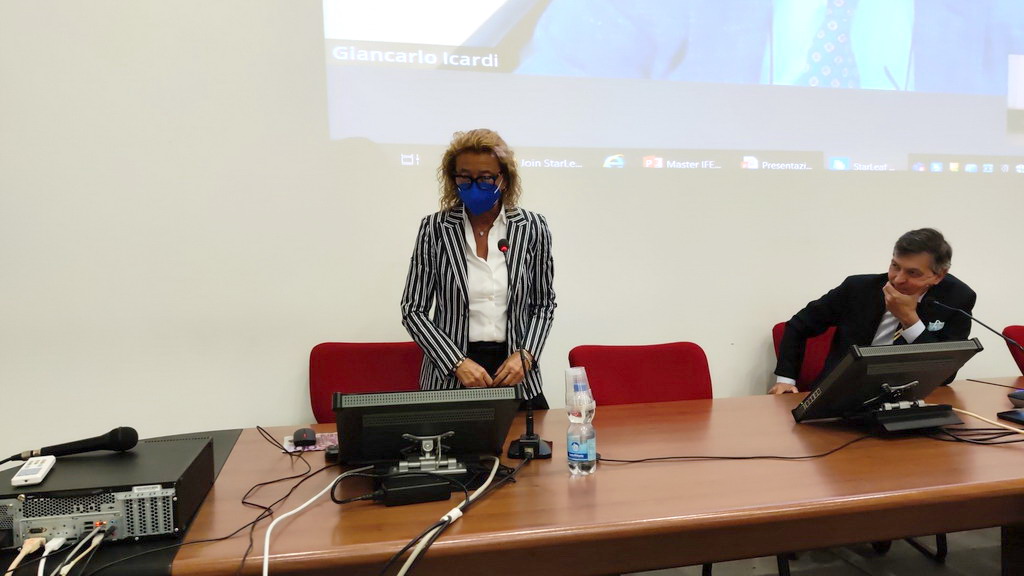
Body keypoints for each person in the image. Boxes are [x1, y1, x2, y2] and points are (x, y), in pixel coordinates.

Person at [401, 129, 556, 408]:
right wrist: (456, 362)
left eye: (485, 178)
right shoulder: (434, 229)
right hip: (451, 376)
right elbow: (413, 310)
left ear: (504, 179)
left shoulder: (532, 227)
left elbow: (544, 304)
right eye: (465, 177)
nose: (474, 186)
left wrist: (526, 355)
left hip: (517, 373)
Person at [770, 228, 976, 394]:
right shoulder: (857, 289)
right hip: (842, 391)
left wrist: (910, 320)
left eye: (912, 273)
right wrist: (786, 380)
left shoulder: (957, 298)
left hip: (910, 395)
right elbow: (797, 326)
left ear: (939, 276)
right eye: (895, 266)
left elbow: (945, 374)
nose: (898, 279)